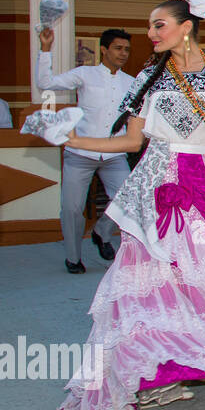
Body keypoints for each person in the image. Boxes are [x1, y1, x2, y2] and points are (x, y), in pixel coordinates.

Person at [49, 0, 205, 410]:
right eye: (150, 26)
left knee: (204, 274)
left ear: (186, 26)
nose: (150, 34)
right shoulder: (147, 78)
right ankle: (157, 370)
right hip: (158, 186)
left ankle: (197, 356)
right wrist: (75, 139)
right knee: (152, 279)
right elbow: (131, 144)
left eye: (159, 25)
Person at [37, 27, 136, 272]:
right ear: (104, 49)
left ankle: (102, 232)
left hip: (114, 155)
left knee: (128, 199)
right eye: (118, 48)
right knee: (71, 208)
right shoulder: (85, 74)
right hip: (80, 154)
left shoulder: (132, 83)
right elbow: (45, 83)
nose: (123, 54)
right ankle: (73, 258)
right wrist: (46, 49)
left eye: (127, 50)